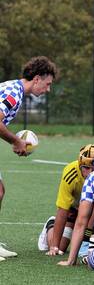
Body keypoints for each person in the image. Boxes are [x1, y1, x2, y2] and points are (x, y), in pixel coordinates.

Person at [0, 56, 57, 261]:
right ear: (36, 79)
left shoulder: (16, 90)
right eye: (47, 84)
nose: (48, 89)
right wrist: (16, 141)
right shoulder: (14, 93)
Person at [38, 144, 94, 256]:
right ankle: (51, 224)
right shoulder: (71, 173)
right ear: (80, 165)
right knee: (60, 247)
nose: (90, 172)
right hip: (75, 209)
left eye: (93, 168)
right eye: (86, 167)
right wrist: (54, 247)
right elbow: (63, 209)